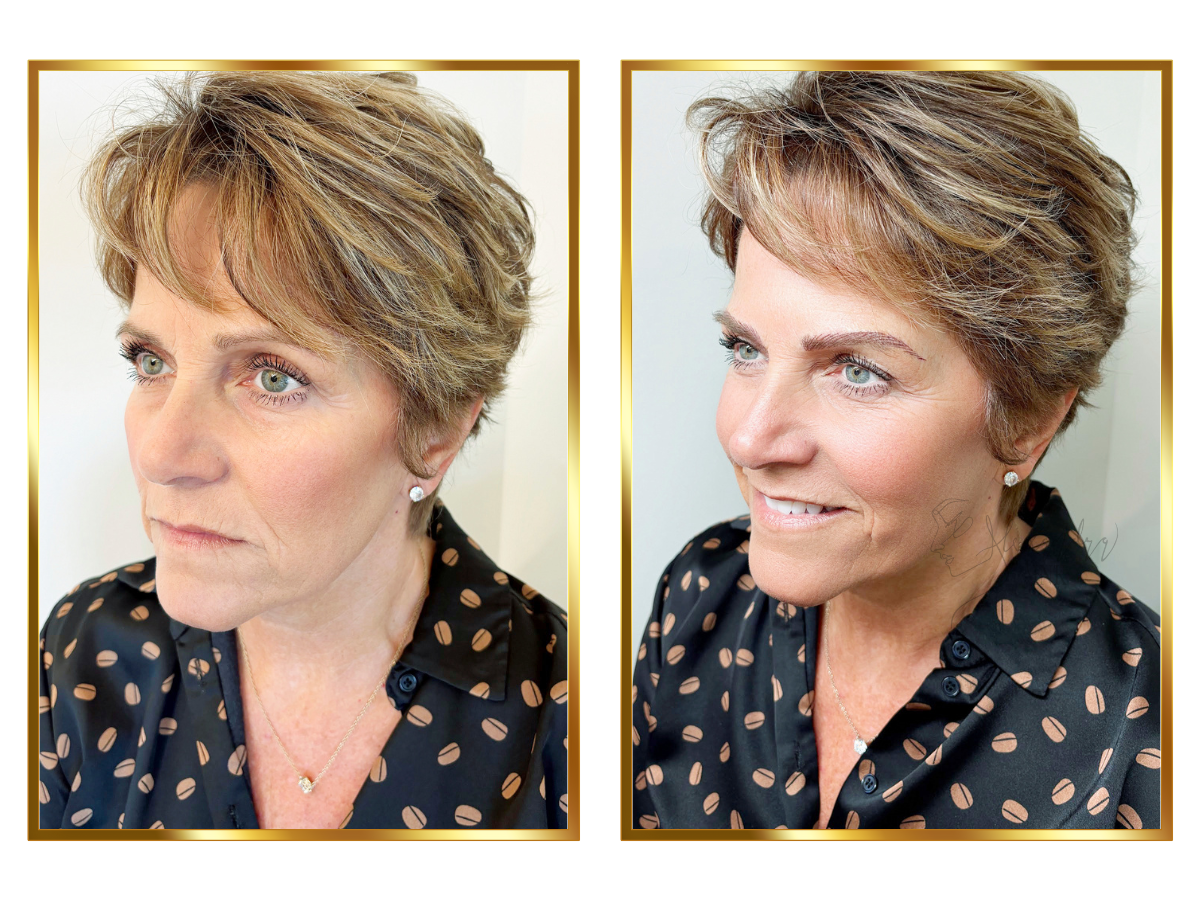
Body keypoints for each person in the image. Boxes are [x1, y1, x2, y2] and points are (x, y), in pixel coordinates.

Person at [38, 71, 568, 830]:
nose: (162, 453)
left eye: (273, 376)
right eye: (152, 362)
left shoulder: (574, 721)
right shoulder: (86, 652)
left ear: (436, 429)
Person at [631, 71, 1159, 830]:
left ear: (1027, 418)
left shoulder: (1148, 740)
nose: (749, 438)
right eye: (745, 349)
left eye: (857, 370)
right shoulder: (702, 599)